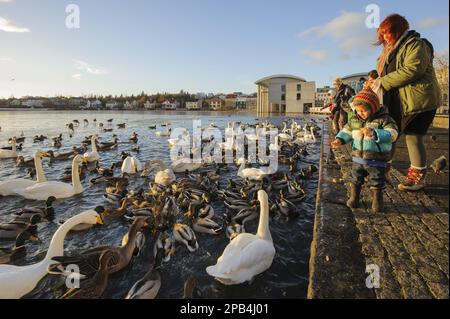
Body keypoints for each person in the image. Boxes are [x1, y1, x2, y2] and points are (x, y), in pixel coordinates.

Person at [366, 14, 441, 191]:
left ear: (398, 30)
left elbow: (413, 70)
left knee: (413, 136)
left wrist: (382, 82)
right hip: (397, 100)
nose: (384, 37)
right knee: (388, 134)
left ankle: (416, 178)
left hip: (418, 100)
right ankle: (382, 170)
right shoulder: (388, 50)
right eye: (382, 34)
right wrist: (374, 80)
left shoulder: (416, 44)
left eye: (387, 33)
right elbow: (384, 73)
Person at [331, 88, 399, 213]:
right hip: (358, 157)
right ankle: (354, 198)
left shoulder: (385, 120)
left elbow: (393, 134)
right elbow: (347, 131)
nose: (360, 113)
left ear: (373, 108)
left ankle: (377, 202)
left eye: (364, 110)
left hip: (376, 158)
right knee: (355, 178)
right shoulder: (355, 120)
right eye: (358, 110)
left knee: (377, 180)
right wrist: (339, 139)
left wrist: (375, 133)